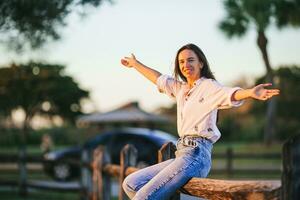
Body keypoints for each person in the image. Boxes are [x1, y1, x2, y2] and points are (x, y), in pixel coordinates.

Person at [120, 43, 280, 200]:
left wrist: (250, 92)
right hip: (180, 153)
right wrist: (135, 64)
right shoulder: (180, 89)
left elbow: (229, 93)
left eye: (190, 60)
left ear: (201, 63)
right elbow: (158, 78)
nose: (185, 64)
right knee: (131, 183)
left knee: (143, 197)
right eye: (181, 62)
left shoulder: (208, 86)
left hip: (196, 155)